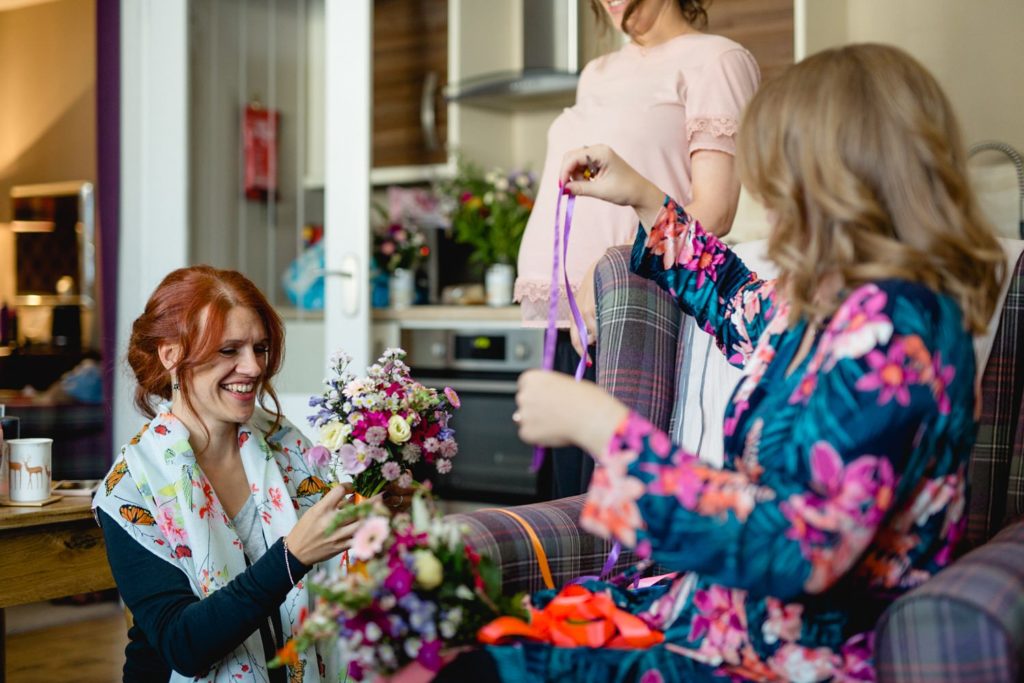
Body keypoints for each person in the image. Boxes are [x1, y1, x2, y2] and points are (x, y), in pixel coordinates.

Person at [446, 44, 1007, 681]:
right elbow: (740, 305)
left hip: (787, 655)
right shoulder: (845, 307)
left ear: (839, 181)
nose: (773, 205)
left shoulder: (898, 334)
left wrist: (606, 427)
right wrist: (644, 199)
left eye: (782, 181)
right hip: (725, 617)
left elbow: (801, 550)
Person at [93, 266, 413, 682]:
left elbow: (341, 562)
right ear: (170, 354)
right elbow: (182, 646)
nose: (253, 367)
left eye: (259, 348)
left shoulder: (284, 442)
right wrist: (290, 558)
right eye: (229, 350)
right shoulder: (130, 489)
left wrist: (373, 513)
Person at [514, 0, 760, 498]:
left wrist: (609, 268)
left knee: (609, 514)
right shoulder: (596, 72)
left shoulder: (717, 60)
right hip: (567, 322)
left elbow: (714, 212)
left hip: (630, 309)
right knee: (563, 511)